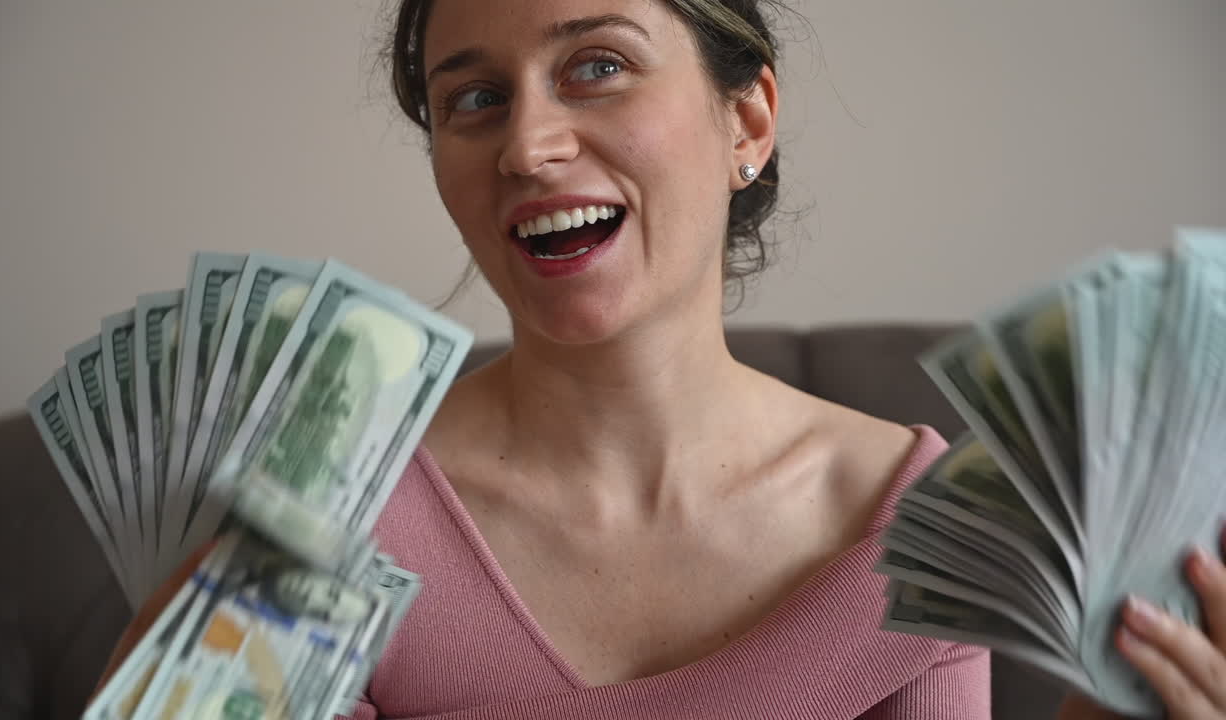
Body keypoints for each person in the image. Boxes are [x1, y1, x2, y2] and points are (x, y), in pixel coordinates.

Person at [100, 1, 1226, 718]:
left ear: (746, 122)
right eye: (474, 99)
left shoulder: (915, 523)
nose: (528, 147)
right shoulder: (323, 494)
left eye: (595, 65)